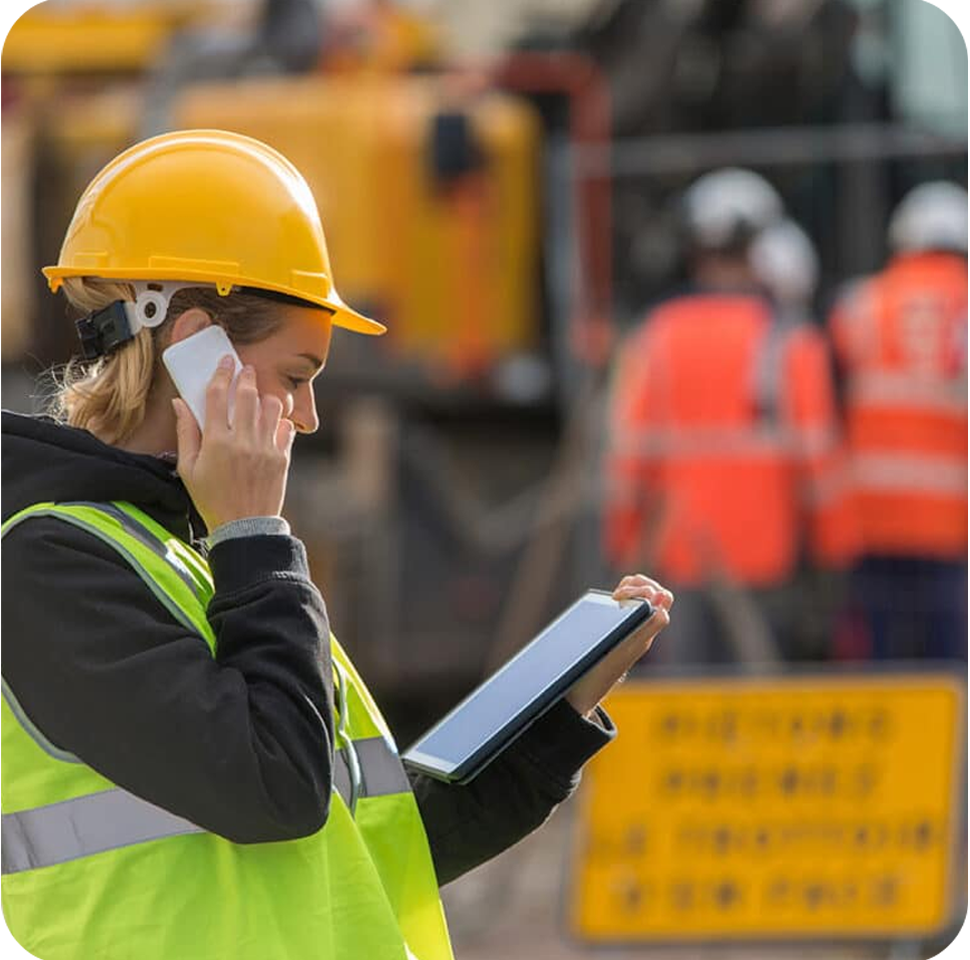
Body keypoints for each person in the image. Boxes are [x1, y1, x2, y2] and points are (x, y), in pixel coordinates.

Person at [0, 130, 674, 960]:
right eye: (296, 374)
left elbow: (371, 846)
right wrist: (253, 536)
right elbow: (274, 791)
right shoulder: (45, 564)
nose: (310, 416)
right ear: (195, 349)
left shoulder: (186, 553)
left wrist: (559, 723)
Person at [603, 169, 850, 664]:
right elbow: (819, 463)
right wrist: (834, 559)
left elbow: (629, 460)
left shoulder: (656, 337)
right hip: (766, 561)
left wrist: (626, 548)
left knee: (688, 706)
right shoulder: (790, 341)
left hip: (680, 559)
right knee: (757, 707)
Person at [827, 181, 968, 660]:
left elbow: (828, 404)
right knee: (951, 674)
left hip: (869, 519)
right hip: (951, 526)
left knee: (880, 668)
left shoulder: (858, 305)